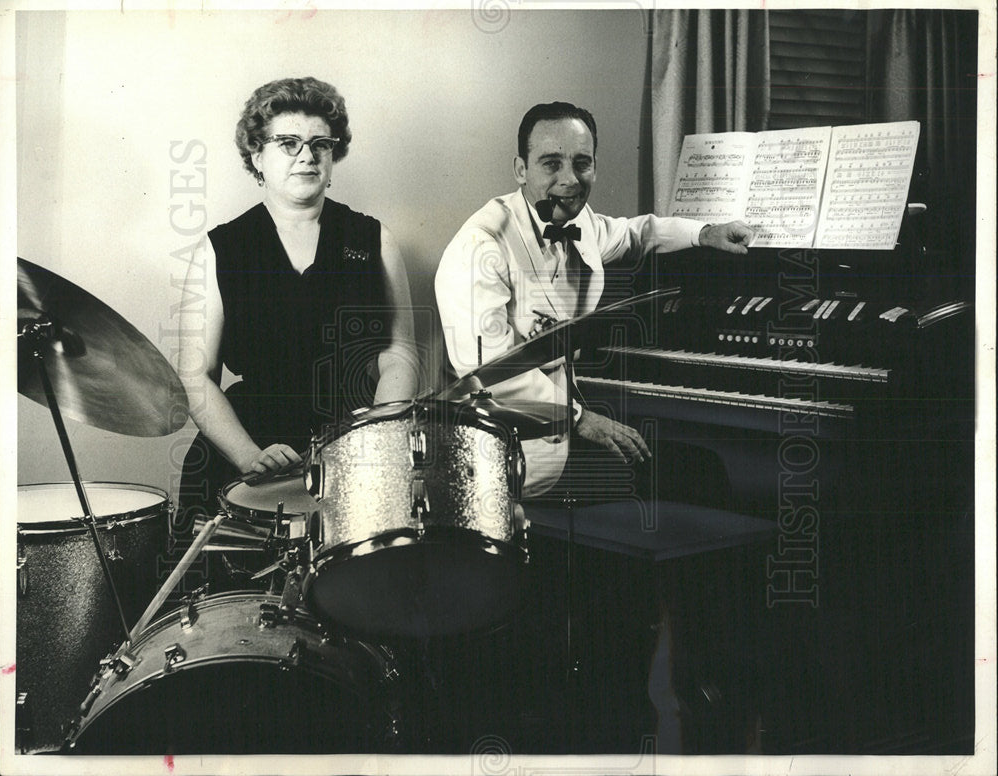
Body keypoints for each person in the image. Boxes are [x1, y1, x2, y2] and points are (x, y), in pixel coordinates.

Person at [435, 101, 754, 499]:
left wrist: (705, 233)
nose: (569, 179)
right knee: (696, 473)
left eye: (582, 163)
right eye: (551, 163)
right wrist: (582, 419)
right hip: (501, 453)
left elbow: (637, 233)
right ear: (520, 169)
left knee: (697, 465)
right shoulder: (479, 246)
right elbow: (488, 376)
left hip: (557, 430)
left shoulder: (576, 220)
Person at [176, 77, 418, 547]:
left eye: (319, 144)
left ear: (333, 156)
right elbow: (195, 376)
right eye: (288, 143)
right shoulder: (220, 248)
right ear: (256, 157)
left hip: (351, 437)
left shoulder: (372, 239)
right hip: (244, 443)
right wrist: (249, 456)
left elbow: (399, 352)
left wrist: (371, 437)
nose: (306, 156)